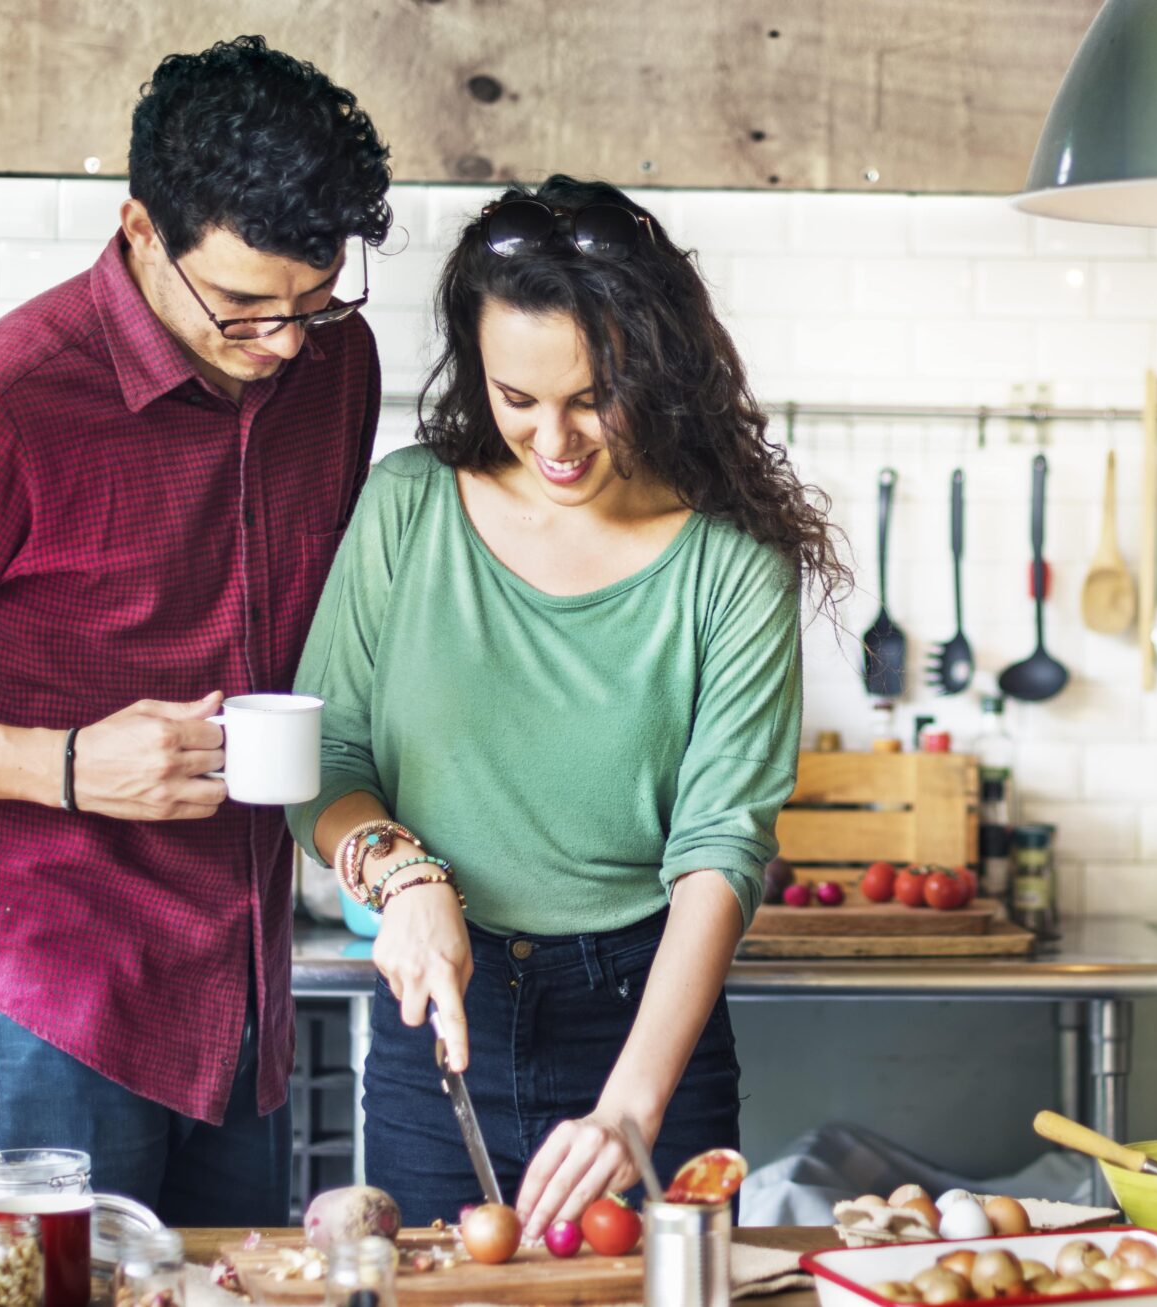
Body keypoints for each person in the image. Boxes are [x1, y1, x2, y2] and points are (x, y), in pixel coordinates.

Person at [0, 36, 391, 1224]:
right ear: (140, 231)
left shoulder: (333, 364)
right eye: (245, 306)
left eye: (314, 299)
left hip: (242, 1005)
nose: (285, 343)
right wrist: (62, 763)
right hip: (44, 1003)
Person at [287, 176, 844, 1236]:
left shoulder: (729, 561)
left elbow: (720, 846)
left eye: (594, 396)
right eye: (517, 398)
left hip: (647, 1022)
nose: (555, 440)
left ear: (660, 368)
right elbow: (328, 753)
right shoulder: (409, 505)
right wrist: (398, 872)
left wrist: (629, 1104)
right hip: (437, 1021)